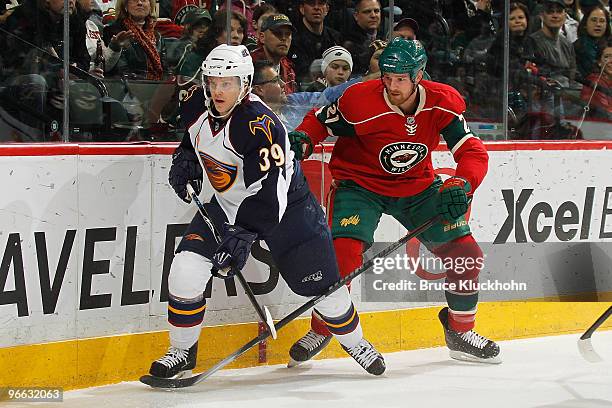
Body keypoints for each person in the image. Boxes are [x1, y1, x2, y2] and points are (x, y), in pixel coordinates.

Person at [148, 44, 386, 379]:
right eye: (213, 81)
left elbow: (271, 192)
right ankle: (182, 350)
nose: (218, 90)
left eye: (227, 82)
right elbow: (194, 136)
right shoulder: (193, 102)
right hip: (229, 206)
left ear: (244, 84)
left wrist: (243, 234)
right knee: (186, 270)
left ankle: (355, 341)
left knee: (324, 291)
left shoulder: (260, 125)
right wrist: (186, 157)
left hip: (287, 211)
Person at [287, 37, 501, 366]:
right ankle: (324, 326)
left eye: (400, 78)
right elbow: (318, 122)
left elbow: (471, 150)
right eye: (387, 77)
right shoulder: (359, 99)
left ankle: (460, 331)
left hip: (417, 186)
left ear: (419, 75)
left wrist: (462, 182)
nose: (391, 85)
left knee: (466, 255)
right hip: (359, 185)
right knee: (342, 256)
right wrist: (302, 138)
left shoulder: (442, 102)